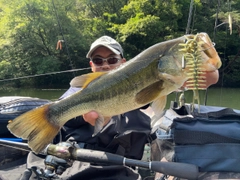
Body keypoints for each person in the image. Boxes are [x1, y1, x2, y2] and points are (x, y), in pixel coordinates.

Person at [19, 35, 154, 180]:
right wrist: (85, 118)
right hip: (81, 161)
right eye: (98, 60)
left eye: (112, 59)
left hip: (120, 163)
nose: (105, 65)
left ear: (123, 63)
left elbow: (149, 97)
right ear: (91, 65)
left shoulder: (137, 83)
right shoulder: (80, 89)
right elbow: (64, 105)